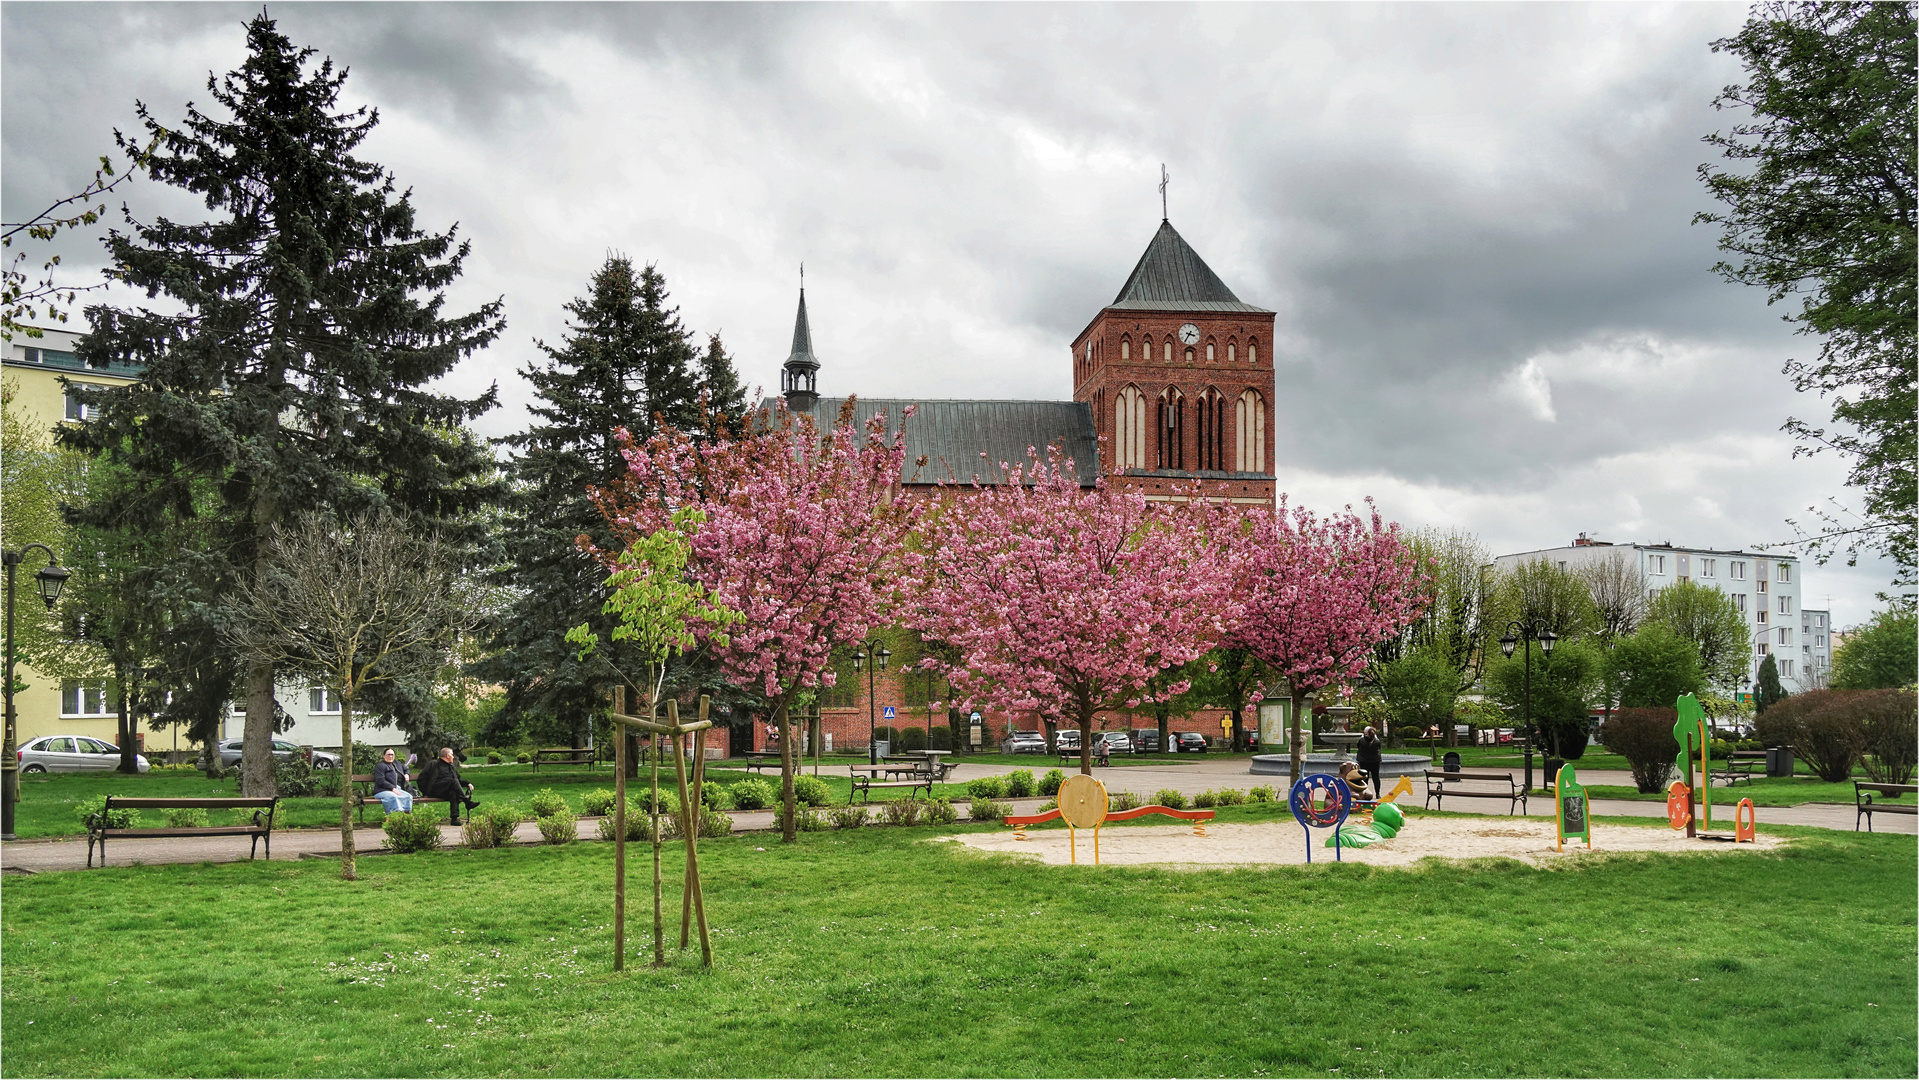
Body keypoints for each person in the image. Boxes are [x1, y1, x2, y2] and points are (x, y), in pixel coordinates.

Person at [418, 747, 479, 824]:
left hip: (446, 789)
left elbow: (458, 780)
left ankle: (454, 818)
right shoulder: (434, 764)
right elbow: (421, 778)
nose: (453, 757)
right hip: (435, 790)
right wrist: (425, 793)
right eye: (452, 755)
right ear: (447, 755)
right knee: (452, 781)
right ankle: (467, 802)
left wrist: (468, 783)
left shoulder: (451, 767)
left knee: (453, 792)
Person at [372, 748, 413, 813]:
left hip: (397, 789)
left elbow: (406, 769)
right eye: (388, 755)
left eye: (392, 755)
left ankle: (405, 817)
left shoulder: (397, 764)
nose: (390, 756)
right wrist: (392, 788)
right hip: (382, 790)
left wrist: (407, 774)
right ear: (384, 756)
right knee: (393, 797)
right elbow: (380, 780)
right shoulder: (380, 766)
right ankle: (393, 817)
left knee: (408, 796)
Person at [1357, 726, 1383, 794]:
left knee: (1365, 777)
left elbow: (1358, 746)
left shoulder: (1362, 740)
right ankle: (1377, 793)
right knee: (1376, 777)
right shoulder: (1377, 741)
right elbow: (1379, 747)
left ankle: (1365, 792)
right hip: (1375, 761)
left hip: (1364, 761)